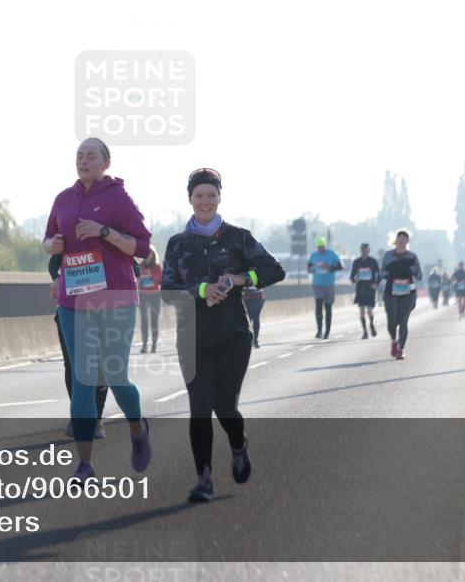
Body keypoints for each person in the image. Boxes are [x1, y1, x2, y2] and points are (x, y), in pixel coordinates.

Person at [162, 168, 285, 502]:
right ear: (190, 199)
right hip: (192, 337)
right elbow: (168, 291)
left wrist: (241, 278)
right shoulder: (177, 243)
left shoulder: (238, 237)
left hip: (232, 333)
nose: (205, 201)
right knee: (200, 408)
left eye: (211, 195)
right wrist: (203, 289)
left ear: (219, 198)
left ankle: (237, 443)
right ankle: (204, 479)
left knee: (224, 407)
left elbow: (275, 270)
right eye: (199, 195)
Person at [44, 137, 152, 483]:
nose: (83, 160)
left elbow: (143, 247)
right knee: (82, 379)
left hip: (116, 297)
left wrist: (104, 231)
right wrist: (53, 244)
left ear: (107, 162)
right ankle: (85, 465)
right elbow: (47, 241)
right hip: (74, 299)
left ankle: (138, 429)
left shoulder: (118, 197)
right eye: (79, 155)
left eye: (91, 155)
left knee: (115, 376)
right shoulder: (64, 198)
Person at [49, 254, 107, 439]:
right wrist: (57, 280)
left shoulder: (109, 237)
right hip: (69, 310)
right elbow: (53, 263)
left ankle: (96, 419)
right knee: (72, 365)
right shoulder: (69, 236)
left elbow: (134, 268)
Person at [381, 230, 422, 360]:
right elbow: (382, 272)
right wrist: (387, 275)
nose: (401, 240)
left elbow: (420, 275)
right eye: (399, 238)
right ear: (396, 240)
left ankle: (401, 349)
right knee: (392, 322)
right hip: (391, 291)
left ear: (407, 241)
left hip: (408, 292)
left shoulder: (412, 257)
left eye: (404, 238)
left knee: (403, 321)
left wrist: (413, 272)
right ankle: (394, 341)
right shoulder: (388, 256)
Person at [307, 237, 342, 339]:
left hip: (329, 284)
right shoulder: (313, 256)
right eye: (319, 247)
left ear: (325, 246)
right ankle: (319, 330)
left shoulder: (332, 254)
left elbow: (340, 267)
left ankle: (327, 331)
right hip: (317, 284)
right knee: (318, 307)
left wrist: (329, 268)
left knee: (328, 308)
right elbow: (309, 267)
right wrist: (310, 270)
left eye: (322, 247)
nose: (320, 249)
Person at [349, 243, 380, 339]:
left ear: (369, 250)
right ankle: (365, 332)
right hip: (360, 288)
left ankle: (371, 324)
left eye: (366, 250)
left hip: (370, 287)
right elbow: (352, 276)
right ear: (360, 251)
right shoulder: (356, 262)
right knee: (362, 310)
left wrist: (376, 284)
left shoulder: (373, 262)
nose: (364, 252)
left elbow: (379, 275)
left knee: (370, 310)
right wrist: (354, 280)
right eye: (362, 250)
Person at [137, 244, 162, 353]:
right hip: (143, 295)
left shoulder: (157, 267)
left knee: (154, 320)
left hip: (155, 295)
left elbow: (158, 280)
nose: (148, 256)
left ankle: (154, 344)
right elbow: (137, 281)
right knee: (144, 320)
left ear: (153, 254)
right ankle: (144, 344)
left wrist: (149, 277)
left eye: (150, 254)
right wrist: (142, 279)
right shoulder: (140, 266)